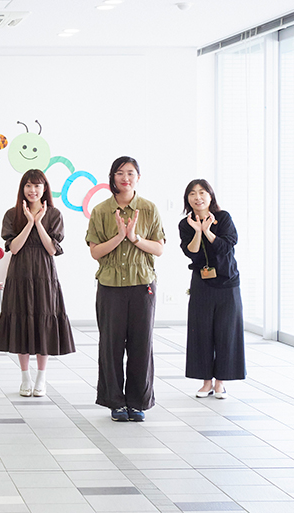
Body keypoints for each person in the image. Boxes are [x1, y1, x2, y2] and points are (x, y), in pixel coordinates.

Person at [85, 156, 165, 422]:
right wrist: (119, 237)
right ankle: (115, 402)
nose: (125, 178)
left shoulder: (149, 209)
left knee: (142, 345)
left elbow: (159, 249)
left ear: (138, 178)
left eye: (131, 173)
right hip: (110, 287)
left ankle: (137, 402)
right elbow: (95, 252)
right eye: (120, 173)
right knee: (111, 346)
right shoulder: (100, 211)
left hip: (142, 286)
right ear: (112, 177)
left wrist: (135, 238)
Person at [0, 169, 75, 397]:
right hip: (19, 274)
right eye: (28, 186)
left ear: (45, 189)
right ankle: (25, 377)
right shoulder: (12, 214)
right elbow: (15, 248)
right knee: (21, 320)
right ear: (22, 189)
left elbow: (52, 249)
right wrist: (29, 223)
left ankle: (41, 377)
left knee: (43, 321)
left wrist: (38, 222)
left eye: (37, 186)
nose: (32, 190)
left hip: (44, 274)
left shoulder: (55, 214)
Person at [179, 179, 245, 399]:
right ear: (187, 199)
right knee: (202, 333)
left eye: (202, 192)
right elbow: (192, 253)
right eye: (192, 194)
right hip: (202, 284)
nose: (197, 197)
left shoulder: (223, 217)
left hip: (227, 284)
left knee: (226, 333)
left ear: (210, 196)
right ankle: (206, 382)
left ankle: (221, 383)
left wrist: (208, 230)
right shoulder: (185, 224)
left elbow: (227, 246)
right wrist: (197, 231)